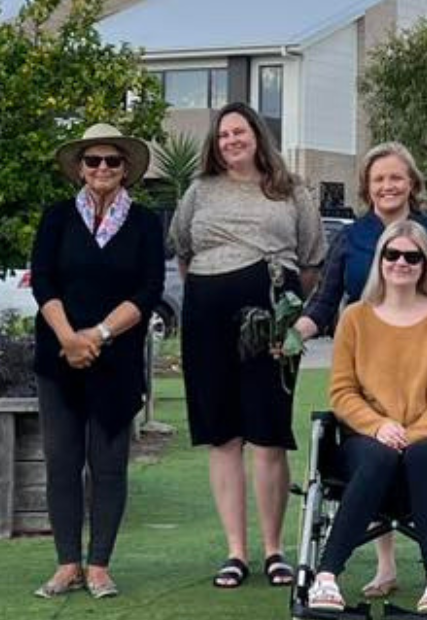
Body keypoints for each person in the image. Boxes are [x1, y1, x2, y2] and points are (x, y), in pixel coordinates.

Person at [291, 141, 427, 598]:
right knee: (377, 450)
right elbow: (326, 300)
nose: (401, 262)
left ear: (411, 182)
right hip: (374, 415)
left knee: (421, 450)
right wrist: (291, 334)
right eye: (379, 180)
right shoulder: (353, 247)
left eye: (412, 257)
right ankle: (331, 574)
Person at [169, 102, 327, 589]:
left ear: (257, 135)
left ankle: (274, 550)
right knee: (223, 435)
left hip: (269, 320)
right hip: (206, 319)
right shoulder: (198, 191)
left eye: (239, 132)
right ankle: (235, 552)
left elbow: (312, 260)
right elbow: (184, 252)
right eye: (222, 135)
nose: (231, 141)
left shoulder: (290, 190)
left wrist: (286, 312)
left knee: (267, 433)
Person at [28, 123, 165, 600]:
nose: (102, 168)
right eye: (93, 161)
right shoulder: (56, 217)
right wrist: (69, 338)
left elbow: (149, 290)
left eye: (112, 161)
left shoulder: (146, 223)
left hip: (117, 359)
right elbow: (43, 282)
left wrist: (99, 334)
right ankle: (68, 565)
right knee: (62, 462)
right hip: (58, 356)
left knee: (108, 466)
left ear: (126, 169)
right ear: (80, 169)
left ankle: (100, 564)